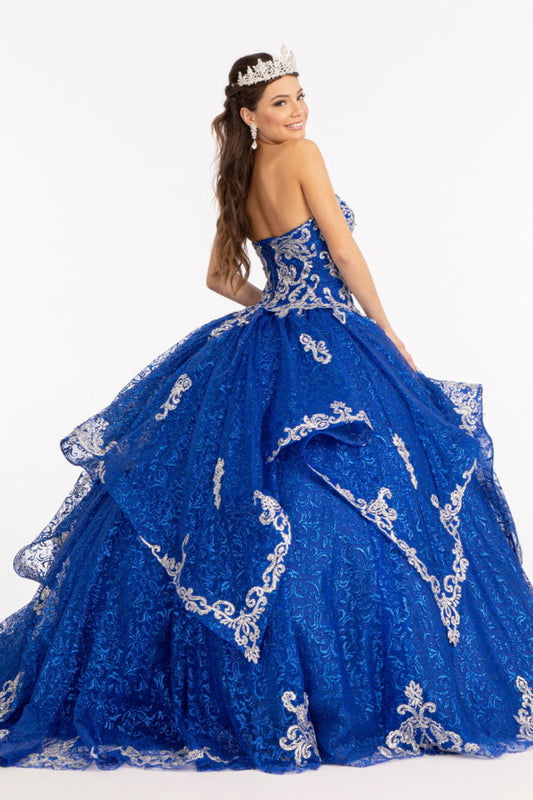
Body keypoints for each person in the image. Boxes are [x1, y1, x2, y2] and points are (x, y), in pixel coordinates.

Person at [0, 44, 532, 775]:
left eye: (300, 96)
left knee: (237, 492)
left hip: (266, 336)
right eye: (280, 102)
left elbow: (221, 278)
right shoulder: (303, 155)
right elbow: (343, 253)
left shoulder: (239, 175)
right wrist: (385, 331)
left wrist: (274, 304)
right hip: (331, 333)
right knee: (373, 489)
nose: (298, 111)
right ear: (249, 115)